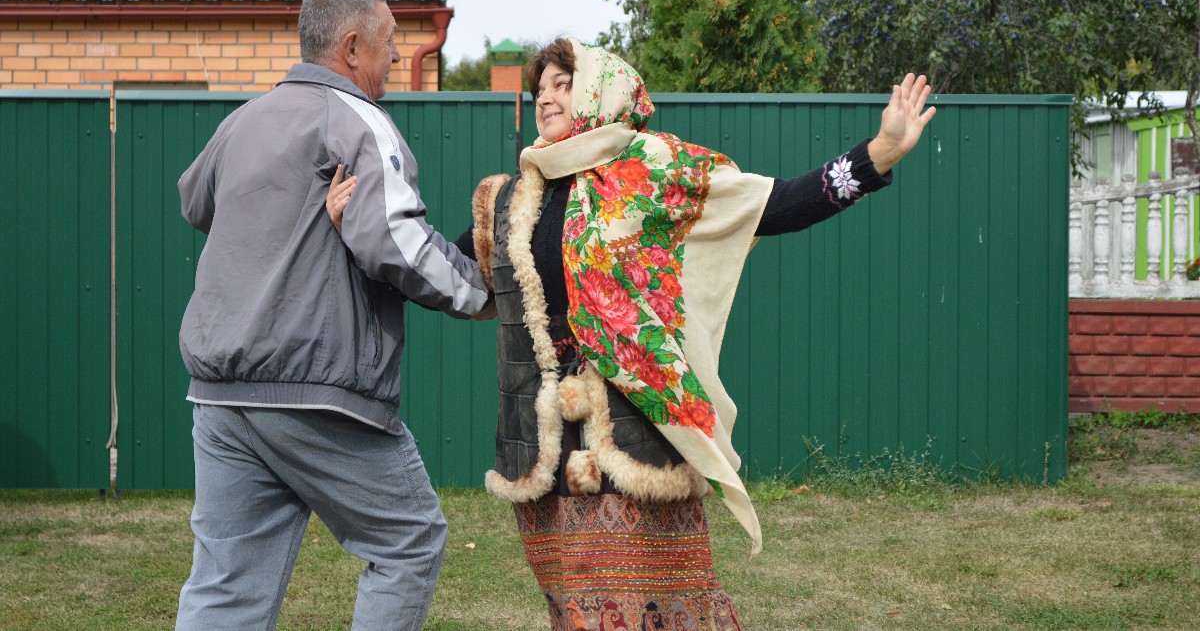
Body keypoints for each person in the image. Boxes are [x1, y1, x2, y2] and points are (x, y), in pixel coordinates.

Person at [329, 37, 934, 630]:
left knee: (660, 606)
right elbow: (442, 272)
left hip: (633, 438)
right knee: (572, 607)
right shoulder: (507, 198)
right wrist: (356, 230)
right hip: (540, 446)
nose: (546, 98)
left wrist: (876, 153)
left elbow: (775, 206)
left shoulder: (652, 171)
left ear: (600, 92)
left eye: (563, 85)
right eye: (540, 88)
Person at [174, 0, 490, 631]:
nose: (397, 57)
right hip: (313, 389)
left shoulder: (244, 121)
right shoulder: (357, 122)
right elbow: (395, 242)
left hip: (221, 397)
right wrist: (483, 292)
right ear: (351, 48)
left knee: (226, 587)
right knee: (410, 541)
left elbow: (195, 199)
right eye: (389, 42)